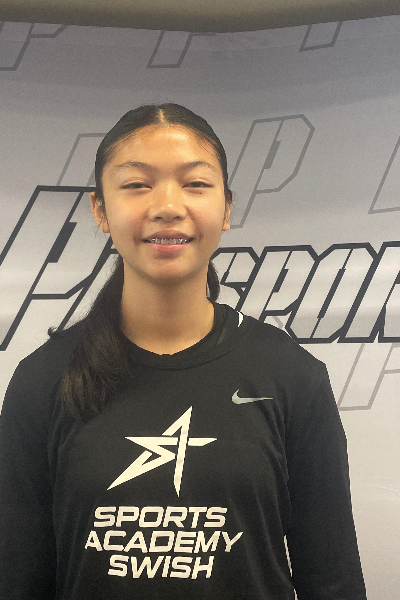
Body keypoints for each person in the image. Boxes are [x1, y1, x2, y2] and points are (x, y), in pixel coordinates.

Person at [0, 103, 367, 600]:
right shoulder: (43, 381)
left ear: (227, 208)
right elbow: (18, 579)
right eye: (137, 184)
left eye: (195, 183)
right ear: (100, 210)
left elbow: (333, 580)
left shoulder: (291, 375)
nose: (168, 206)